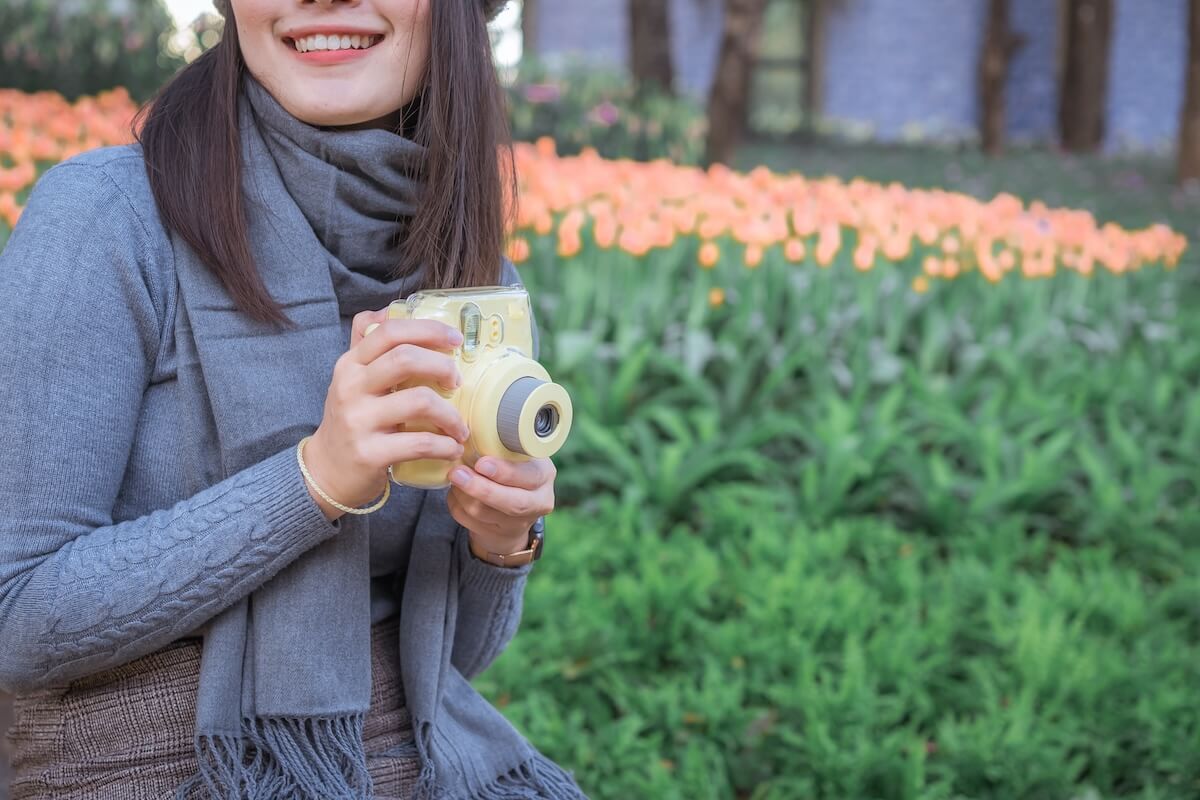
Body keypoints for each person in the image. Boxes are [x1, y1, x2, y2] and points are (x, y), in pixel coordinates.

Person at [0, 1, 585, 798]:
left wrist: (502, 542)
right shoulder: (108, 221)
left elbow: (452, 662)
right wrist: (312, 480)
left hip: (408, 760)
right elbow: (21, 616)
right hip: (149, 769)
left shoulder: (471, 284)